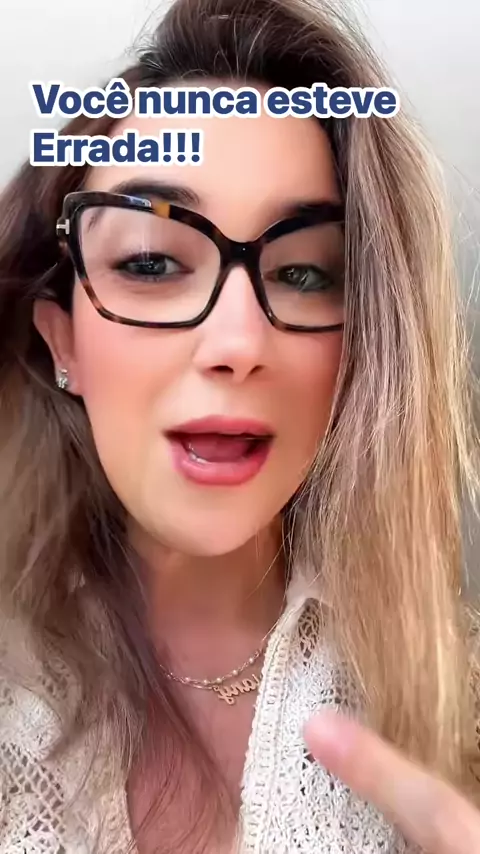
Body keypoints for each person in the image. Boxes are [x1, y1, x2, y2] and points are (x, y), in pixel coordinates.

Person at [0, 0, 479, 851]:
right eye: (152, 262)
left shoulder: (457, 701)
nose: (238, 345)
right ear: (62, 341)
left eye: (306, 273)